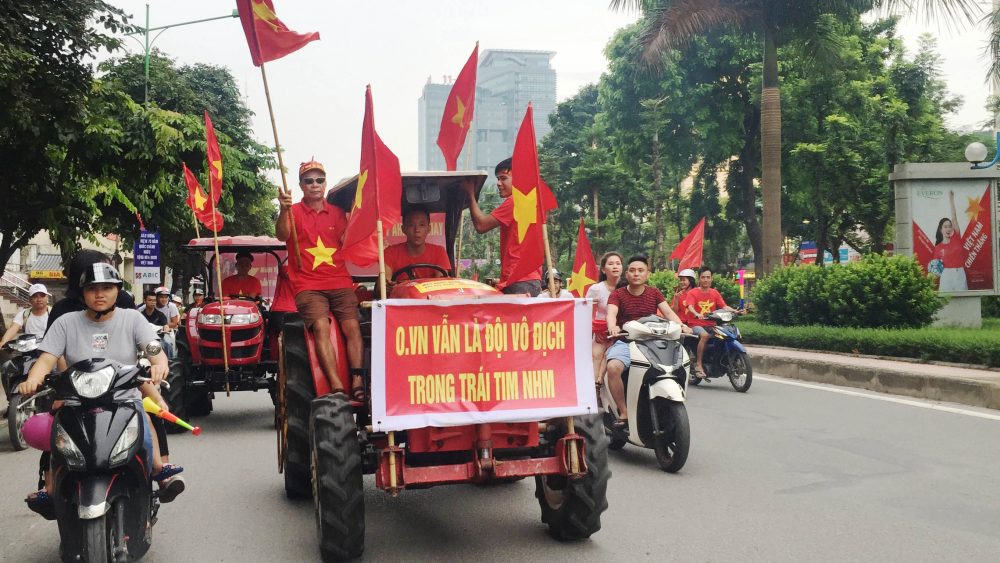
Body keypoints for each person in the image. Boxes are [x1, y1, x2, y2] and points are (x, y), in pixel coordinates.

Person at [19, 263, 185, 504]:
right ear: (82, 293)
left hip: (123, 398)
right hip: (77, 399)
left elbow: (153, 348)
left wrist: (159, 363)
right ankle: (52, 487)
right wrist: (32, 380)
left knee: (145, 420)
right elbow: (46, 359)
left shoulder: (133, 319)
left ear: (118, 291)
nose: (100, 294)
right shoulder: (65, 322)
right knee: (55, 432)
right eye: (92, 288)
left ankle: (157, 472)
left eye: (107, 288)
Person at [276, 159, 365, 401]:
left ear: (325, 184)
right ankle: (336, 385)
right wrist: (283, 209)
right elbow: (282, 234)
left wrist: (359, 213)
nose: (315, 184)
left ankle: (357, 380)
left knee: (353, 327)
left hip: (340, 281)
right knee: (320, 327)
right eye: (309, 180)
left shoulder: (337, 213)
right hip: (308, 285)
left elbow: (349, 240)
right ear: (301, 185)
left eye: (320, 180)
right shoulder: (292, 211)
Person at [605, 255, 690, 431]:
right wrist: (612, 326)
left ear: (647, 274)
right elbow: (611, 313)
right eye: (633, 271)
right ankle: (623, 411)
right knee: (613, 367)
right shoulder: (617, 294)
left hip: (652, 342)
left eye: (641, 270)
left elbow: (667, 312)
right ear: (627, 274)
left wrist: (682, 326)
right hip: (626, 342)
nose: (637, 274)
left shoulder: (654, 292)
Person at [462, 158, 543, 296]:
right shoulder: (531, 201)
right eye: (498, 179)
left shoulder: (515, 201)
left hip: (518, 281)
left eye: (503, 178)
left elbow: (481, 226)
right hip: (529, 279)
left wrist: (470, 194)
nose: (498, 184)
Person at [686, 266, 744, 378]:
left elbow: (724, 306)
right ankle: (698, 364)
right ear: (699, 279)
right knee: (705, 335)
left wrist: (736, 311)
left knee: (727, 334)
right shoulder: (693, 292)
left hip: (712, 324)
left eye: (708, 277)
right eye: (703, 277)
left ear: (712, 279)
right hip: (696, 325)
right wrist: (697, 314)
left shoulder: (714, 293)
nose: (706, 280)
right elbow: (690, 306)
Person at [384, 206, 452, 283]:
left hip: (429, 295)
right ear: (403, 229)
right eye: (411, 225)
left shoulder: (439, 252)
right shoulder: (390, 252)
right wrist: (389, 285)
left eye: (422, 225)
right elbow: (383, 286)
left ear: (428, 229)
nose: (417, 230)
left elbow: (441, 284)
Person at [586, 253, 623, 385]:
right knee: (596, 355)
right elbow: (588, 315)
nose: (615, 267)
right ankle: (593, 392)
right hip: (600, 334)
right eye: (611, 263)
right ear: (603, 269)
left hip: (622, 334)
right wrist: (597, 331)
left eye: (618, 263)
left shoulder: (627, 287)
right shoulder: (596, 289)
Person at [931, 190, 968, 292]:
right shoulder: (938, 247)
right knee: (946, 301)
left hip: (959, 274)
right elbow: (936, 269)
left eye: (950, 226)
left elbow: (954, 218)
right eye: (945, 227)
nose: (948, 229)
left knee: (961, 301)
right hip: (946, 276)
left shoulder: (956, 238)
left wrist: (951, 200)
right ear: (941, 229)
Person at [152, 286, 180, 358]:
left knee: (167, 343)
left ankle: (169, 361)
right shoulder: (151, 305)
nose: (164, 299)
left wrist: (163, 327)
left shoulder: (172, 306)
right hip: (152, 330)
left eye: (165, 297)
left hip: (167, 331)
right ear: (156, 297)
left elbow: (174, 323)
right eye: (161, 297)